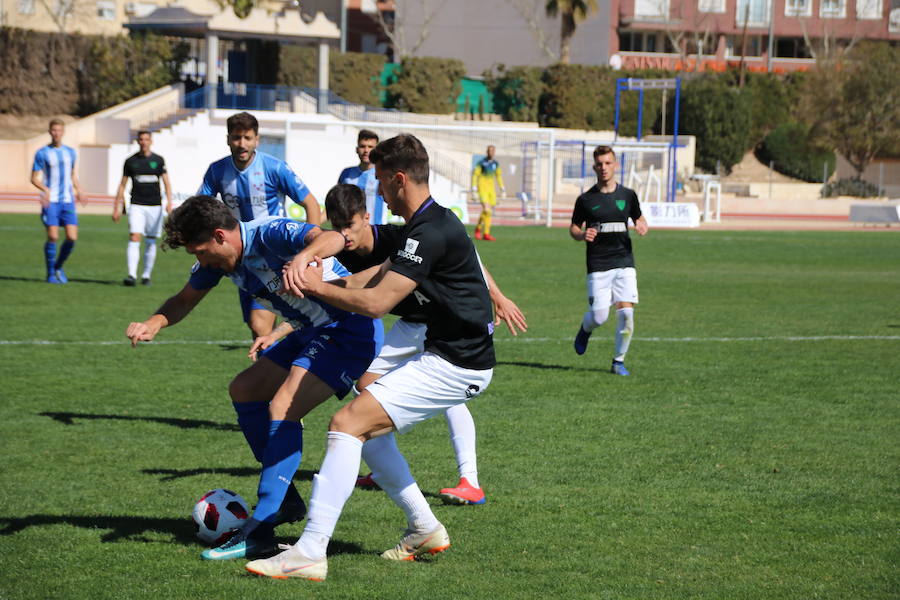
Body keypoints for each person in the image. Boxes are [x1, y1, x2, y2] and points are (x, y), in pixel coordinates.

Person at [244, 134, 496, 581]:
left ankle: (310, 551)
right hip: (445, 354)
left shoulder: (431, 232)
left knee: (346, 424)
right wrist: (305, 257)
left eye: (381, 181)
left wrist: (312, 286)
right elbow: (348, 242)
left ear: (399, 179)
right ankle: (423, 526)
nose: (378, 191)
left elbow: (378, 301)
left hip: (458, 364)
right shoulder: (418, 227)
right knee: (367, 418)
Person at [125, 195, 382, 561]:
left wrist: (302, 257)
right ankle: (286, 502)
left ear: (219, 236)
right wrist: (153, 323)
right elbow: (183, 300)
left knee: (283, 406)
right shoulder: (221, 262)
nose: (200, 261)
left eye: (199, 252)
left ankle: (259, 527)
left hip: (349, 329)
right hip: (311, 329)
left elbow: (333, 238)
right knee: (245, 390)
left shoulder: (270, 234)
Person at [324, 183, 527, 504]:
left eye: (348, 225)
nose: (343, 234)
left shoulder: (397, 239)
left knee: (448, 396)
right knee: (365, 386)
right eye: (336, 227)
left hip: (437, 324)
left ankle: (469, 481)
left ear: (365, 218)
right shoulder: (340, 255)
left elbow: (467, 252)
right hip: (410, 326)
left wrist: (497, 294)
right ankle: (383, 469)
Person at [198, 111, 322, 339]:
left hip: (275, 256)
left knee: (261, 325)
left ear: (257, 139)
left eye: (247, 138)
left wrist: (309, 254)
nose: (242, 144)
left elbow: (311, 204)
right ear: (228, 139)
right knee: (258, 330)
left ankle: (292, 366)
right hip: (241, 258)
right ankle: (278, 366)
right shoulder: (217, 171)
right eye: (236, 138)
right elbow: (199, 208)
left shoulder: (275, 168)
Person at [570, 145, 648, 376]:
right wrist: (582, 235)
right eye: (599, 164)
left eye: (608, 163)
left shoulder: (628, 195)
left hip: (624, 261)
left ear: (616, 165)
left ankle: (618, 361)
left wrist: (642, 224)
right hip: (598, 264)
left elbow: (639, 217)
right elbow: (573, 228)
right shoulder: (586, 199)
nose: (603, 168)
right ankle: (586, 329)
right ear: (594, 167)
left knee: (626, 315)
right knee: (600, 316)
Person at [112, 130, 174, 286]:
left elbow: (166, 182)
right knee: (134, 237)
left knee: (151, 240)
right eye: (141, 139)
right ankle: (131, 275)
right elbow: (122, 184)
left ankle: (146, 276)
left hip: (155, 206)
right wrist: (116, 207)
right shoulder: (130, 161)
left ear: (151, 141)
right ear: (138, 141)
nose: (144, 142)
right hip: (136, 205)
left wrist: (169, 202)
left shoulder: (159, 160)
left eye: (147, 139)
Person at [30, 119, 87, 284]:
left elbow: (72, 175)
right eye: (53, 130)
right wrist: (45, 190)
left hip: (67, 201)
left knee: (72, 237)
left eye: (59, 130)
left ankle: (58, 267)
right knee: (53, 237)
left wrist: (80, 190)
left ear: (63, 132)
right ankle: (50, 273)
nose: (56, 133)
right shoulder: (42, 153)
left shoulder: (70, 152)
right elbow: (33, 178)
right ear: (49, 132)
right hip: (51, 201)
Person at [337, 129, 390, 225]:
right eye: (362, 146)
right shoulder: (346, 174)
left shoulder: (384, 175)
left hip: (377, 232)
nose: (366, 150)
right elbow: (337, 202)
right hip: (351, 231)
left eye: (370, 147)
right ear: (356, 149)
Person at [471, 144, 505, 242]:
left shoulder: (496, 164)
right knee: (487, 210)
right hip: (482, 188)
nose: (491, 152)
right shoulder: (481, 163)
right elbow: (475, 175)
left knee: (488, 212)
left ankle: (479, 229)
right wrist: (474, 188)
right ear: (487, 152)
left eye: (493, 151)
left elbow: (498, 176)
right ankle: (486, 233)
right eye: (489, 151)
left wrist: (502, 188)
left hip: (491, 190)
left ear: (494, 152)